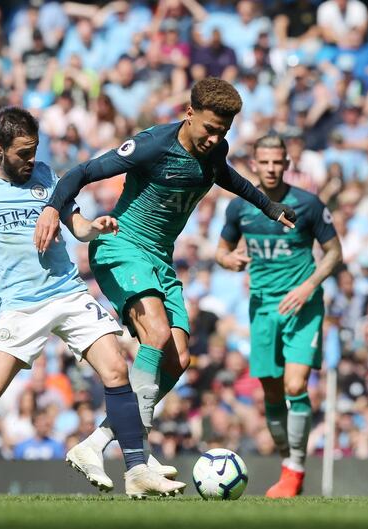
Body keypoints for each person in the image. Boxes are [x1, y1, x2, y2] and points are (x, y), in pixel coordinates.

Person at [0, 106, 185, 498]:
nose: (31, 160)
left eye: (34, 150)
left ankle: (136, 468)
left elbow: (76, 226)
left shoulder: (44, 175)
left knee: (115, 370)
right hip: (21, 305)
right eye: (23, 153)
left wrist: (95, 228)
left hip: (69, 292)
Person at [34, 77, 297, 488]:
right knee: (155, 334)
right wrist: (53, 208)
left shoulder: (216, 151)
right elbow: (83, 171)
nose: (215, 138)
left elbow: (228, 177)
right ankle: (136, 463)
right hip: (122, 246)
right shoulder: (154, 145)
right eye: (210, 128)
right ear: (189, 113)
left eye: (223, 132)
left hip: (160, 259)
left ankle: (97, 442)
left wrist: (268, 206)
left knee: (178, 359)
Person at [216, 134, 342, 497]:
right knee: (271, 392)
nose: (271, 168)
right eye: (264, 162)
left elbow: (334, 252)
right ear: (254, 165)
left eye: (278, 162)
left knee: (294, 385)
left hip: (303, 306)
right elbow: (222, 252)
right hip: (262, 308)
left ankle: (295, 470)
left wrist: (308, 286)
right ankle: (289, 461)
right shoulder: (240, 207)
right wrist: (230, 260)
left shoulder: (308, 204)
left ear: (287, 164)